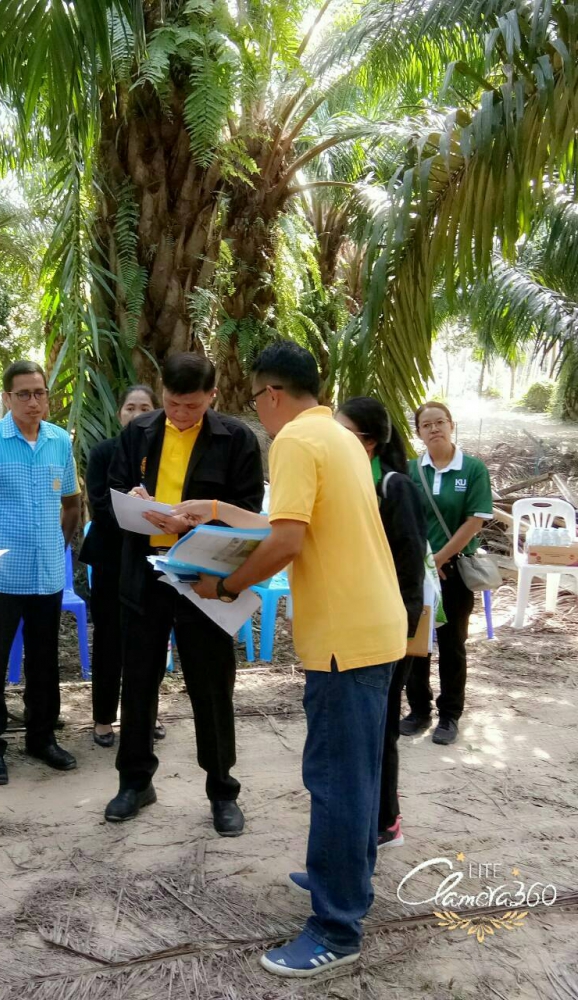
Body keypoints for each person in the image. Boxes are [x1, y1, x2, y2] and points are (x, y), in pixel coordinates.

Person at [178, 342, 406, 978]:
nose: (258, 411)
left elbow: (285, 541)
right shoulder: (338, 437)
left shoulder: (295, 442)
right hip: (373, 624)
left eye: (256, 399)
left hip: (342, 637)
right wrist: (217, 512)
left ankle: (336, 927)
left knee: (335, 780)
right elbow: (289, 521)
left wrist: (224, 586)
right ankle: (347, 879)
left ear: (273, 394)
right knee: (355, 774)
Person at [105, 353, 264, 836]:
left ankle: (222, 790)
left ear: (212, 396)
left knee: (211, 687)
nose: (180, 414)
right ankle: (135, 782)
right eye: (173, 403)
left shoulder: (235, 439)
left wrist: (193, 522)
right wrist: (134, 502)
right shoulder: (139, 433)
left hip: (203, 579)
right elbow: (112, 490)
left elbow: (248, 512)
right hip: (145, 576)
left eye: (192, 406)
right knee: (138, 683)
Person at [0, 361, 81, 786]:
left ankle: (41, 738)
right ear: (7, 398)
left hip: (46, 576)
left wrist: (58, 546)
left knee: (44, 662)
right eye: (23, 394)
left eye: (39, 393)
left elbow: (71, 503)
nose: (33, 401)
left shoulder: (59, 440)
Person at [336, 397, 427, 850]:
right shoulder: (346, 484)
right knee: (361, 728)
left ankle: (386, 820)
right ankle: (366, 813)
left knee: (381, 725)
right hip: (352, 624)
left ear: (368, 442)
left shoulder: (394, 488)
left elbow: (411, 567)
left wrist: (403, 631)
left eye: (343, 433)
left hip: (390, 627)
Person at [401, 401, 493, 746]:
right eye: (426, 425)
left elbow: (474, 521)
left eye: (440, 422)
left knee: (453, 645)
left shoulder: (472, 469)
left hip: (452, 571)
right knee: (416, 644)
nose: (434, 429)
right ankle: (418, 710)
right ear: (419, 432)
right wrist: (421, 562)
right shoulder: (411, 470)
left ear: (451, 425)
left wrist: (438, 558)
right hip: (417, 572)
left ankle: (450, 715)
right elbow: (402, 516)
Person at [79, 385, 158, 748]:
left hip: (152, 560)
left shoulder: (163, 454)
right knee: (109, 639)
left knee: (150, 641)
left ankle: (146, 715)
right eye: (130, 407)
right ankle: (103, 719)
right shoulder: (103, 452)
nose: (137, 414)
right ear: (119, 414)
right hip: (110, 558)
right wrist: (138, 511)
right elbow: (99, 504)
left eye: (145, 408)